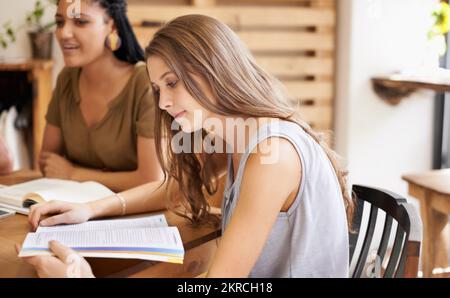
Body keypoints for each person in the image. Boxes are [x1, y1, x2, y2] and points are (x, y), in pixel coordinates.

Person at [20, 14, 354, 278]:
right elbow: (176, 188)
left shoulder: (273, 155)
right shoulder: (240, 137)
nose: (163, 101)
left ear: (215, 70)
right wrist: (91, 209)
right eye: (156, 88)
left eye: (172, 83)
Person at [40, 0, 163, 192]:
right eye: (59, 22)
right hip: (77, 212)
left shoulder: (146, 83)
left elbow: (152, 179)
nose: (63, 33)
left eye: (80, 22)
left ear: (111, 26)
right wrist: (111, 177)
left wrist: (74, 174)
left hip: (138, 216)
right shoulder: (66, 78)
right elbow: (48, 163)